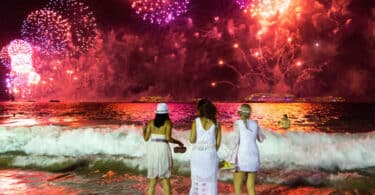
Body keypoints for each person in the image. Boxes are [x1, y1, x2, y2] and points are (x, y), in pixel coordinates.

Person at [143, 103, 184, 195]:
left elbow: (146, 139)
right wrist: (178, 142)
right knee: (165, 180)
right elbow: (168, 138)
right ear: (166, 113)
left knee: (152, 181)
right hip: (163, 148)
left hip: (153, 149)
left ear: (156, 113)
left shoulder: (150, 123)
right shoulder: (168, 123)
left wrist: (143, 130)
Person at [189, 99, 222, 195]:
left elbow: (192, 140)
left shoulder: (196, 121)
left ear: (200, 109)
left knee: (196, 181)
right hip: (211, 154)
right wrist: (210, 152)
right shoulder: (217, 123)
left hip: (197, 155)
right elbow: (218, 143)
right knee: (211, 182)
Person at [231, 104, 265, 195]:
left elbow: (235, 141)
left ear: (239, 113)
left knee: (238, 188)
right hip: (254, 156)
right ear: (250, 113)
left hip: (242, 156)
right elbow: (261, 139)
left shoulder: (237, 123)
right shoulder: (255, 123)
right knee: (251, 188)